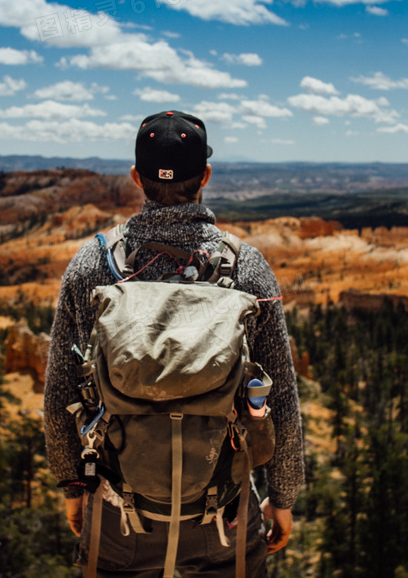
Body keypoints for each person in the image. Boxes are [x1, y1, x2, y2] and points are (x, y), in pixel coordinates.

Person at [43, 110, 304, 576]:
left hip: (118, 510)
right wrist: (283, 497)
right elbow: (279, 394)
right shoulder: (246, 268)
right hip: (223, 513)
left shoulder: (92, 264)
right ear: (205, 176)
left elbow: (60, 391)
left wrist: (72, 487)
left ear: (135, 177)